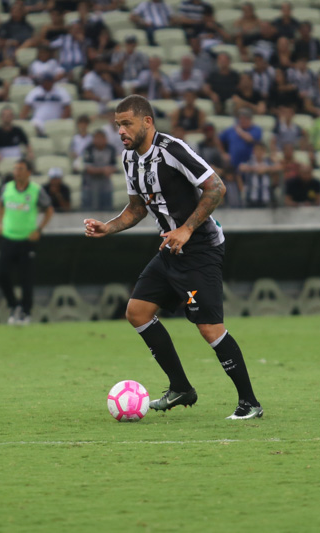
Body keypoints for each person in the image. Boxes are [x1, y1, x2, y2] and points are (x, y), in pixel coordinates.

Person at [83, 95, 263, 420]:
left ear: (147, 122)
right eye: (117, 125)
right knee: (137, 312)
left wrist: (187, 229)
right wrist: (107, 227)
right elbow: (138, 208)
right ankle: (181, 387)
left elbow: (217, 188)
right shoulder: (129, 159)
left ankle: (249, 402)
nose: (121, 131)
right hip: (170, 249)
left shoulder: (172, 149)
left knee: (209, 328)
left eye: (127, 123)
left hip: (200, 249)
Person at [0, 158, 54, 325]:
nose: (17, 172)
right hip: (8, 237)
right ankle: (14, 305)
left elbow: (49, 209)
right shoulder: (7, 188)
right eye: (15, 169)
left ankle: (26, 312)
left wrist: (39, 230)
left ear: (28, 172)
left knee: (25, 278)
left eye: (21, 169)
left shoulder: (36, 190)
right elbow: (0, 205)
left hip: (27, 239)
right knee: (1, 273)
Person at [81, 130, 117, 211]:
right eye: (97, 138)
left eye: (102, 138)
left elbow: (114, 166)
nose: (99, 140)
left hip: (106, 179)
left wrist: (109, 170)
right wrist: (103, 170)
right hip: (92, 180)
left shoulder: (111, 149)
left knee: (107, 198)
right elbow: (88, 168)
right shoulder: (89, 149)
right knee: (93, 203)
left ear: (105, 139)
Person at [0, 106, 32, 172]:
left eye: (9, 115)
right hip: (2, 155)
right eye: (5, 115)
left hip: (16, 154)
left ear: (13, 117)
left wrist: (30, 153)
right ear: (1, 117)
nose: (7, 117)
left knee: (29, 164)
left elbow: (27, 144)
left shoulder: (18, 130)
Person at [238, 142, 278, 208]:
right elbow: (241, 167)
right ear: (254, 151)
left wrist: (266, 169)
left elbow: (279, 167)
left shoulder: (268, 162)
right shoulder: (250, 161)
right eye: (257, 150)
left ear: (264, 151)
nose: (259, 152)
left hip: (266, 198)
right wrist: (255, 169)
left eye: (261, 150)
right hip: (252, 198)